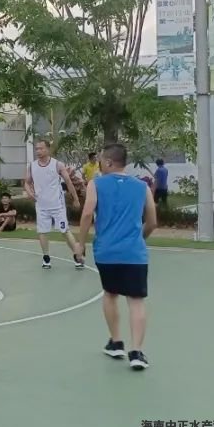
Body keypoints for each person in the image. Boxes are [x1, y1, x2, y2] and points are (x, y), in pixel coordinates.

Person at [74, 143, 156, 371]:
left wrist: (80, 243)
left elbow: (88, 213)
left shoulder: (96, 184)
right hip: (134, 253)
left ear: (109, 162)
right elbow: (152, 222)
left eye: (101, 159)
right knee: (136, 300)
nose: (99, 163)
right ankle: (136, 352)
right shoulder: (143, 187)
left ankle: (116, 342)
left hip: (106, 252)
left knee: (110, 294)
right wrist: (139, 239)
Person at [24, 139, 85, 270]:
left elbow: (68, 182)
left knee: (64, 231)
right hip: (41, 206)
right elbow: (27, 183)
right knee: (42, 231)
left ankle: (77, 255)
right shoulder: (32, 166)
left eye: (41, 148)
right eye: (36, 149)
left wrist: (76, 199)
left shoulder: (57, 165)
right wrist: (29, 192)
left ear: (48, 149)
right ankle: (46, 258)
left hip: (57, 205)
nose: (38, 151)